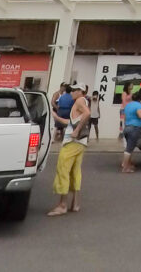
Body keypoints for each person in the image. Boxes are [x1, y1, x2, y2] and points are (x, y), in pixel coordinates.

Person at [47, 84, 90, 216]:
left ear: (81, 92)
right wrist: (56, 117)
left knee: (63, 169)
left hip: (72, 141)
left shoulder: (79, 101)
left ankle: (62, 204)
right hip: (80, 142)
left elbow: (87, 114)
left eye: (75, 90)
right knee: (75, 171)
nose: (71, 92)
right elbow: (71, 122)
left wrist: (76, 130)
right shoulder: (81, 101)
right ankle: (75, 203)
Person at [121, 86, 141, 173]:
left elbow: (125, 118)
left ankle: (128, 164)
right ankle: (125, 167)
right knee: (129, 149)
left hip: (127, 128)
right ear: (139, 98)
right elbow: (140, 116)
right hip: (134, 129)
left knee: (129, 147)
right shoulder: (138, 105)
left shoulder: (127, 105)